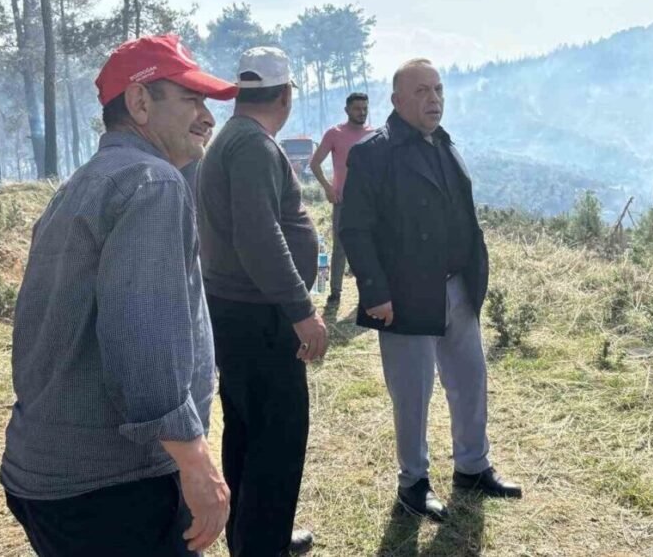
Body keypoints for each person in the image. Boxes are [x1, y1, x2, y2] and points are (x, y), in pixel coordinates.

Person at [0, 34, 236, 556]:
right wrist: (195, 463)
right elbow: (144, 338)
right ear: (139, 102)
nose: (207, 117)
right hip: (114, 487)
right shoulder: (152, 182)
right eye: (191, 99)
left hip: (47, 473)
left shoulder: (85, 182)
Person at [340, 58, 522, 523]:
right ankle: (413, 482)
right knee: (412, 392)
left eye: (438, 89)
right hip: (403, 295)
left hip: (458, 286)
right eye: (421, 91)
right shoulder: (373, 153)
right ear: (397, 101)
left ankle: (472, 466)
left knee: (469, 380)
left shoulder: (445, 144)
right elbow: (356, 230)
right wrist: (375, 291)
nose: (433, 99)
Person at [198, 46, 326, 556]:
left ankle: (254, 535)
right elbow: (259, 235)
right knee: (276, 440)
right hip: (260, 316)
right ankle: (261, 543)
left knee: (249, 434)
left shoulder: (234, 139)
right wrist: (302, 310)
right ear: (286, 94)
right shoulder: (252, 145)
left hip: (239, 312)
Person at [309, 92, 373, 306]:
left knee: (369, 247)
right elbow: (315, 163)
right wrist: (328, 188)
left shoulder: (374, 134)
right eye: (357, 108)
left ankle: (369, 291)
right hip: (342, 201)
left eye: (365, 108)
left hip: (369, 203)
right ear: (347, 110)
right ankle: (335, 292)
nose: (362, 112)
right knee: (340, 247)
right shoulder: (334, 133)